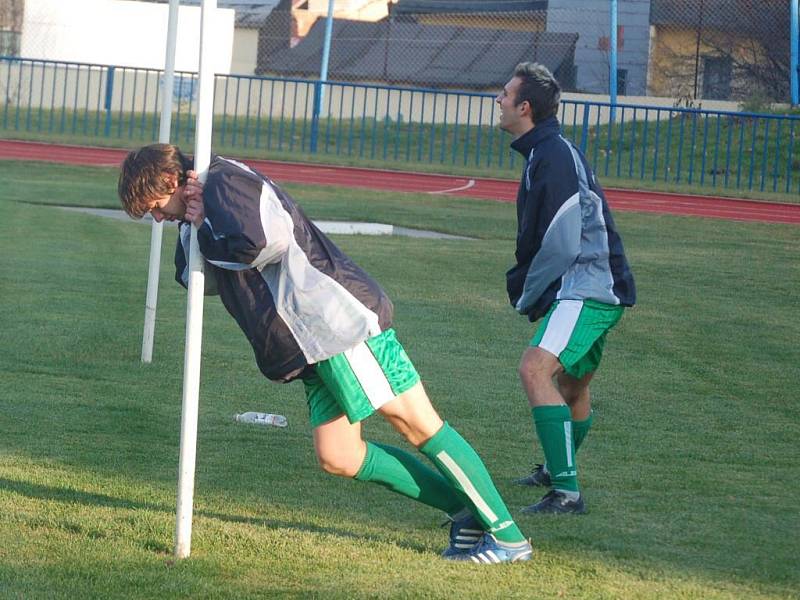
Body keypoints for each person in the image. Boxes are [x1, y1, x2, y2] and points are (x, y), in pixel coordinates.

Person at [117, 144, 532, 563]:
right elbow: (195, 279)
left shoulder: (226, 181)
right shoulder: (199, 201)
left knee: (418, 425)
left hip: (335, 324)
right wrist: (193, 223)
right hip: (306, 345)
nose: (156, 217)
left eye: (155, 206)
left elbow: (259, 244)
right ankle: (466, 514)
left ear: (170, 181)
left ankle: (508, 537)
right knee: (340, 455)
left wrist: (203, 222)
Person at [496, 63, 636, 514]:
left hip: (588, 286)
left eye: (504, 94)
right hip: (596, 286)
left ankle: (567, 493)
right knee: (573, 386)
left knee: (534, 370)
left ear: (525, 107)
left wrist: (528, 291)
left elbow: (560, 238)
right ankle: (555, 471)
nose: (497, 101)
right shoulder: (545, 151)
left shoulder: (552, 155)